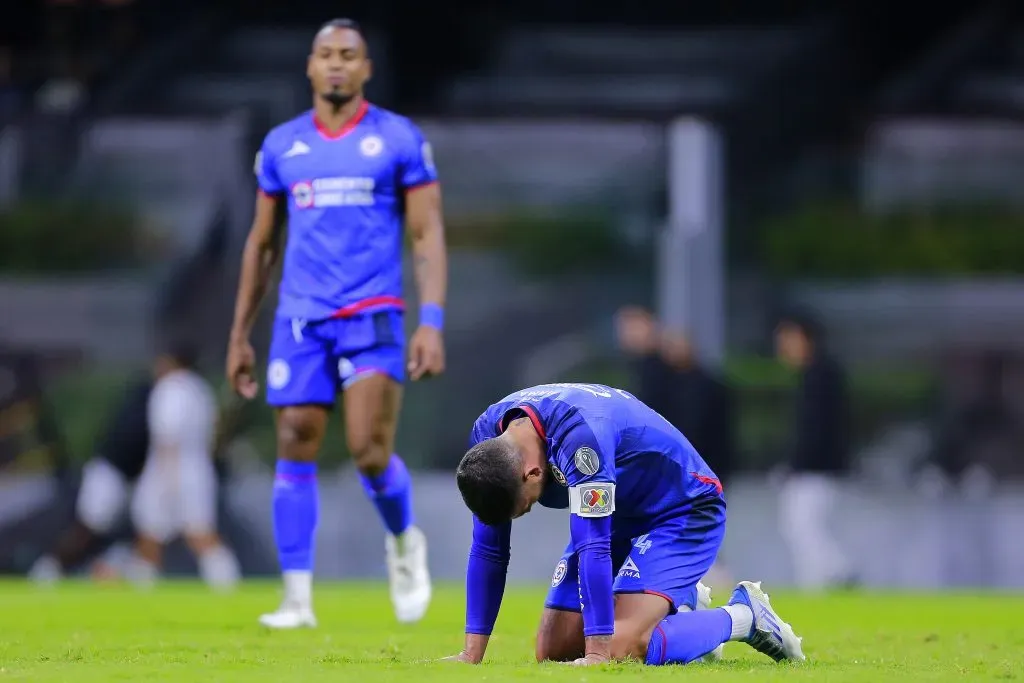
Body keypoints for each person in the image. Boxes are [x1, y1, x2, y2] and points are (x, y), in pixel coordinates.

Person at [226, 18, 446, 628]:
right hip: (300, 318)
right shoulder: (282, 146)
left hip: (372, 314)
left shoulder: (398, 139)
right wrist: (240, 333)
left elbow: (427, 234)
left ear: (366, 68)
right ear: (310, 67)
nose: (337, 65)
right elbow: (262, 244)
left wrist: (431, 321)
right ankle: (296, 597)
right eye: (326, 55)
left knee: (368, 452)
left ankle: (405, 543)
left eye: (349, 55)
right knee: (294, 435)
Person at [446, 383, 805, 666]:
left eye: (522, 507)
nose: (524, 513)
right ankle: (680, 606)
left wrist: (599, 653)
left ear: (534, 472)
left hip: (681, 508)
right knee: (554, 649)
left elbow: (593, 545)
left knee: (619, 645)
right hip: (619, 510)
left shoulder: (580, 437)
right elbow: (489, 549)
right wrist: (471, 654)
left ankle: (745, 616)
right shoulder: (488, 439)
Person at [127, 339, 240, 590]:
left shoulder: (171, 388)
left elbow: (169, 435)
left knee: (185, 531)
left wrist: (168, 478)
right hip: (199, 467)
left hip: (171, 468)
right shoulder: (200, 390)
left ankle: (225, 581)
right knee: (162, 531)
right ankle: (226, 581)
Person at [29, 377, 153, 583]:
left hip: (131, 479)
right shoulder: (145, 402)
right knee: (89, 527)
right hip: (110, 474)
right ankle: (48, 568)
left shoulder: (156, 399)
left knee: (144, 527)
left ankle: (127, 570)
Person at [775, 311, 854, 590]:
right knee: (801, 526)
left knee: (802, 524)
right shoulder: (815, 375)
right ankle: (825, 577)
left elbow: (819, 429)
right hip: (815, 467)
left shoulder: (821, 376)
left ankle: (835, 573)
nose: (782, 347)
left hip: (818, 469)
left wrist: (798, 464)